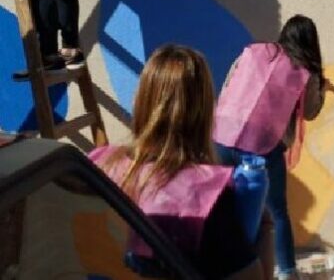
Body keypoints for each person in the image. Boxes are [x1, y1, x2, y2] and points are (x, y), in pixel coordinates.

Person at [90, 45, 268, 279]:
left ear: (141, 100)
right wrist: (266, 227)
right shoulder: (207, 196)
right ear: (203, 113)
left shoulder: (97, 164)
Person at [213, 15, 327, 280]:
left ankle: (230, 267)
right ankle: (287, 272)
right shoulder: (303, 72)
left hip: (223, 135)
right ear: (311, 43)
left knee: (227, 205)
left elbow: (230, 83)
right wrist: (321, 88)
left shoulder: (253, 51)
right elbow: (310, 112)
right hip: (260, 146)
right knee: (276, 212)